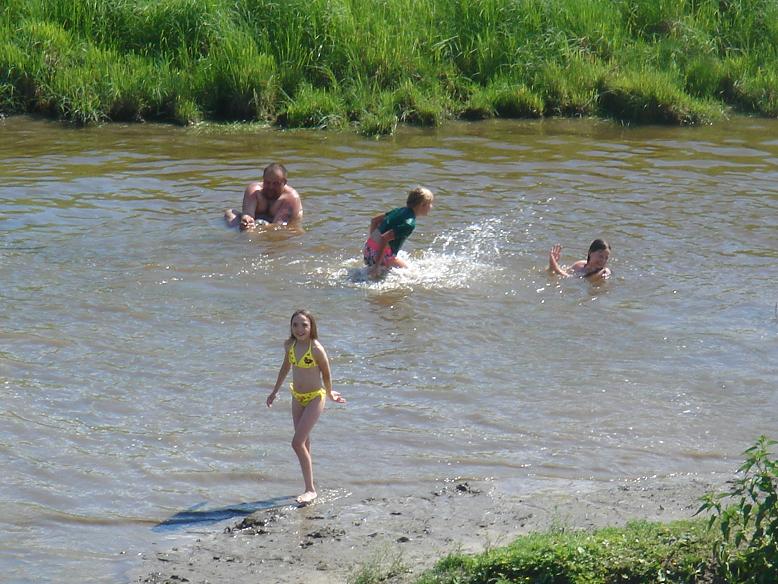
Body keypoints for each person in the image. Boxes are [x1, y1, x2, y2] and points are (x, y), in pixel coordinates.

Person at [266, 309, 345, 505]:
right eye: (295, 325)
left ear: (311, 327)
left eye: (304, 325)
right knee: (304, 443)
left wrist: (330, 392)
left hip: (315, 397)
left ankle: (311, 490)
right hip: (297, 397)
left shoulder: (316, 348)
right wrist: (274, 391)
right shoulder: (290, 346)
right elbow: (285, 368)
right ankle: (308, 486)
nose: (299, 329)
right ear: (291, 327)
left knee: (297, 442)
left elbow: (326, 372)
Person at [363, 186, 434, 275]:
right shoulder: (409, 224)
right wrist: (376, 266)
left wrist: (372, 244)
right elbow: (385, 238)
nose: (431, 207)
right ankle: (378, 266)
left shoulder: (399, 210)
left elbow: (374, 220)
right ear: (422, 205)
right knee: (413, 274)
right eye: (430, 203)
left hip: (368, 249)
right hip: (379, 256)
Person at [225, 163, 303, 230]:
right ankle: (237, 237)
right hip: (257, 223)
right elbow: (248, 214)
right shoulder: (254, 191)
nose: (271, 187)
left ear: (284, 182)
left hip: (278, 225)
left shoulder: (290, 198)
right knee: (230, 213)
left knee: (295, 230)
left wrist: (259, 225)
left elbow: (279, 226)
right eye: (267, 183)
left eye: (275, 184)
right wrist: (246, 220)